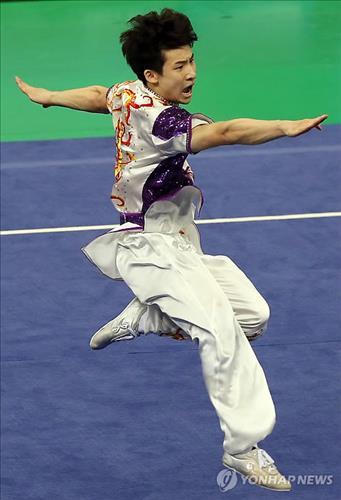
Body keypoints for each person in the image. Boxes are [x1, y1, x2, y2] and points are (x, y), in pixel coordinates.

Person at [16, 8, 328, 492]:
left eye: (191, 61)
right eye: (179, 66)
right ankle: (243, 448)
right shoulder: (164, 122)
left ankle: (145, 317)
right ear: (152, 75)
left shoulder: (131, 93)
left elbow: (102, 96)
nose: (192, 73)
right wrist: (283, 127)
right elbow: (222, 132)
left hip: (183, 243)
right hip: (148, 246)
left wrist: (50, 98)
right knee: (221, 332)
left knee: (252, 316)